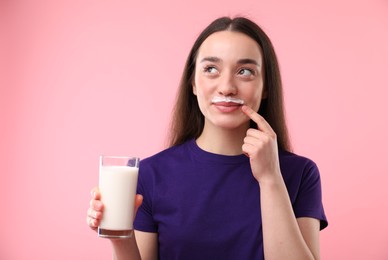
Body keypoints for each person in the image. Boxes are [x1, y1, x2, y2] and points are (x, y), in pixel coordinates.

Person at [87, 16, 328, 260]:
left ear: (265, 87)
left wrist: (270, 179)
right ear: (193, 82)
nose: (226, 87)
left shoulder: (300, 173)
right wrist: (120, 237)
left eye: (245, 71)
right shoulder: (150, 174)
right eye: (211, 69)